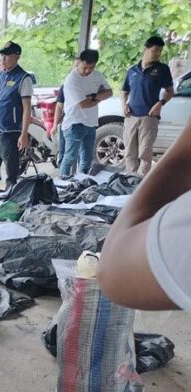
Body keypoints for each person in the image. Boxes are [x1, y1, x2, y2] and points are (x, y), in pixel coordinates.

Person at [98, 118, 191, 312]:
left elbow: (115, 272)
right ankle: (133, 173)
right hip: (134, 117)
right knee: (134, 154)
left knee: (143, 154)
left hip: (148, 117)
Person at [0, 41, 33, 192]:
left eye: (7, 55)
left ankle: (10, 201)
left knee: (11, 172)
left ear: (17, 56)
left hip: (9, 133)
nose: (3, 59)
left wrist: (24, 135)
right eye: (2, 55)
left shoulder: (23, 78)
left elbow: (27, 108)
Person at [121, 36, 175, 176]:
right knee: (129, 153)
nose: (158, 54)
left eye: (160, 51)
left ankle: (140, 183)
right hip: (131, 116)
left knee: (144, 154)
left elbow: (170, 91)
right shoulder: (132, 70)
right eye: (155, 50)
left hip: (149, 117)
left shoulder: (162, 69)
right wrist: (124, 105)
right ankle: (130, 181)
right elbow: (124, 91)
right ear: (145, 49)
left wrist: (160, 103)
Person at [59, 49, 113, 177]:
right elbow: (83, 104)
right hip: (74, 123)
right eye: (85, 67)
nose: (87, 71)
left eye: (91, 67)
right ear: (78, 63)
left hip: (91, 123)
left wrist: (93, 97)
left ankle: (82, 181)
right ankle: (62, 182)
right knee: (70, 157)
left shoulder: (97, 75)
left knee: (88, 159)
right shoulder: (72, 80)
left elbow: (110, 92)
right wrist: (99, 96)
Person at [53, 85, 66, 167]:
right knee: (63, 153)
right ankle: (63, 176)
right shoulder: (65, 86)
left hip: (85, 123)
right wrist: (54, 125)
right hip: (66, 123)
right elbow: (59, 107)